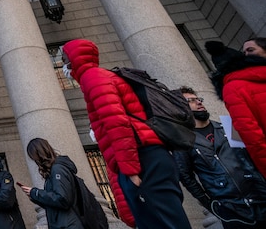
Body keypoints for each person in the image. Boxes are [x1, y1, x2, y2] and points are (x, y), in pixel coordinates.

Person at [61, 39, 190, 229]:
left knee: (162, 223)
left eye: (64, 59)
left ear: (73, 59)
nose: (63, 65)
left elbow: (116, 122)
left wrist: (131, 170)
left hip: (142, 159)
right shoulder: (99, 76)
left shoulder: (93, 77)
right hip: (146, 157)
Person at [174, 86, 266, 228]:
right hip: (230, 209)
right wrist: (208, 202)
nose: (198, 102)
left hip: (260, 198)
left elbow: (251, 158)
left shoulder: (227, 127)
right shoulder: (184, 141)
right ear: (181, 108)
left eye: (198, 99)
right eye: (191, 101)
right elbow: (185, 176)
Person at [206, 40, 266, 178]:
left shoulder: (233, 86)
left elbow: (252, 136)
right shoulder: (236, 86)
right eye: (244, 52)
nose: (246, 55)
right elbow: (251, 134)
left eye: (250, 50)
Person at [18, 139, 81, 229]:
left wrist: (36, 193)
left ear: (39, 154)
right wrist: (34, 196)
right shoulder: (53, 171)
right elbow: (55, 203)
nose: (35, 161)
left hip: (68, 224)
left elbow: (62, 199)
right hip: (63, 223)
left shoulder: (57, 169)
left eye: (34, 157)